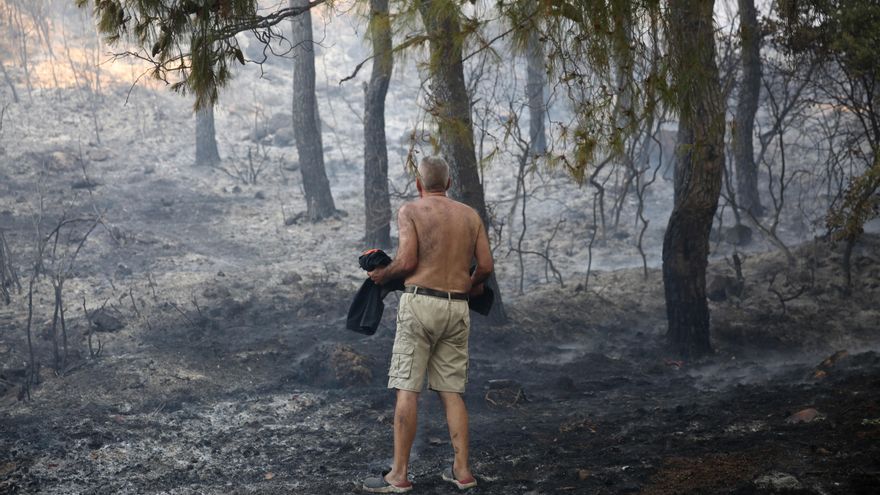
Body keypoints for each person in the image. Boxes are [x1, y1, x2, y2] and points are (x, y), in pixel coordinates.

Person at [362, 156, 493, 493]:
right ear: (448, 184)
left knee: (408, 390)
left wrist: (382, 276)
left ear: (419, 184)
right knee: (452, 392)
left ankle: (399, 476)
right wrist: (472, 284)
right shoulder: (470, 215)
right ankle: (463, 472)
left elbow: (407, 261)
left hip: (420, 304)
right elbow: (487, 267)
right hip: (457, 307)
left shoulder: (411, 210)